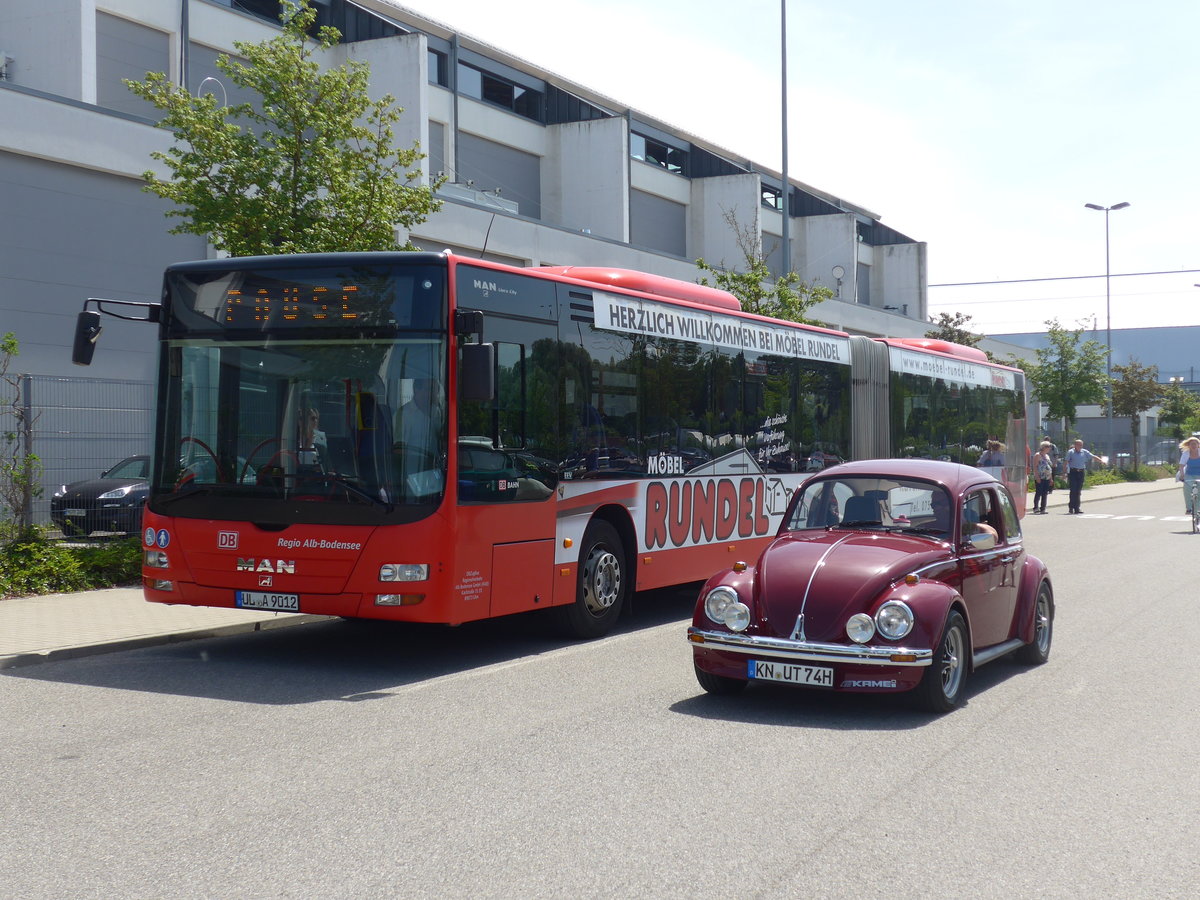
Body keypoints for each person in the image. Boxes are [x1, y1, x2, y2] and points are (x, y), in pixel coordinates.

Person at [1064, 438, 1104, 514]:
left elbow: (1093, 456)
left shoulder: (1084, 452)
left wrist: (1101, 461)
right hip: (1073, 472)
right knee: (1073, 490)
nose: (1080, 446)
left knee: (1078, 491)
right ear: (1075, 445)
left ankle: (1077, 508)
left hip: (1081, 472)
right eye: (1079, 445)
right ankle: (1071, 507)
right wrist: (1064, 473)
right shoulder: (1071, 452)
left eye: (1081, 445)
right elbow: (1066, 462)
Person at [1177, 436, 1200, 515]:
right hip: (1189, 474)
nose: (1193, 446)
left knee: (1199, 493)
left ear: (1198, 445)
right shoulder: (1186, 453)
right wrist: (1182, 475)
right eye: (1191, 444)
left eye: (1195, 444)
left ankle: (1197, 511)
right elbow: (1181, 466)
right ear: (1189, 446)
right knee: (1187, 489)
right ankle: (1189, 508)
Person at [1032, 441, 1054, 514]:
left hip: (1047, 477)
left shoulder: (1047, 456)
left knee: (1045, 493)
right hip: (1040, 476)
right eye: (1048, 446)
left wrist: (1051, 478)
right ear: (1043, 447)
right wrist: (1037, 476)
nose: (1049, 448)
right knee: (1039, 492)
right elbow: (1035, 466)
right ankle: (1036, 507)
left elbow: (1049, 467)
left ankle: (1043, 508)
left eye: (1049, 447)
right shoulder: (1037, 455)